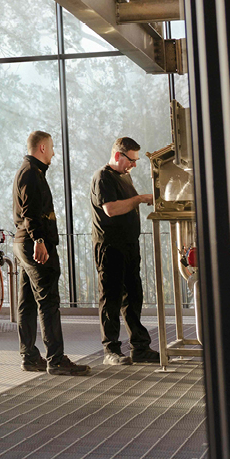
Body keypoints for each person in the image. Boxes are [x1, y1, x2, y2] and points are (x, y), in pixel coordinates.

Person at [13, 130, 90, 376]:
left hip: (23, 242)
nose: (55, 153)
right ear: (42, 148)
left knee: (27, 301)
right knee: (48, 301)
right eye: (53, 147)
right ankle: (56, 359)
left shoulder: (27, 171)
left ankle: (29, 356)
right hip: (34, 243)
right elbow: (30, 212)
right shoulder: (31, 174)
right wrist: (39, 240)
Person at [89, 136, 160, 365]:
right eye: (132, 159)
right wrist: (139, 199)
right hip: (110, 247)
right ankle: (111, 350)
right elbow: (110, 209)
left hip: (129, 246)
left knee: (133, 296)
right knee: (111, 298)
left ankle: (139, 347)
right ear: (119, 155)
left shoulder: (124, 176)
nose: (134, 164)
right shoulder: (103, 177)